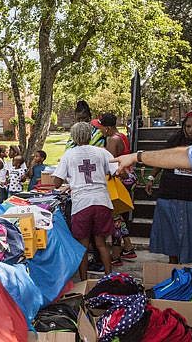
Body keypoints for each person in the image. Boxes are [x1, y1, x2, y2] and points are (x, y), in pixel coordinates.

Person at [53, 122, 115, 280]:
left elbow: (56, 182)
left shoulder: (69, 154)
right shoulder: (102, 152)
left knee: (82, 247)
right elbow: (115, 171)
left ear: (73, 136)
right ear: (91, 134)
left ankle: (84, 282)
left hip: (82, 204)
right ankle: (110, 278)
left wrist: (72, 180)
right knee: (101, 244)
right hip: (102, 201)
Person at [138, 111, 192, 264]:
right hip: (170, 192)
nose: (191, 130)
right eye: (188, 126)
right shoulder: (174, 140)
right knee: (171, 233)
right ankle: (173, 265)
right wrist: (151, 177)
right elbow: (161, 160)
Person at [93, 113, 136, 266]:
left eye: (101, 128)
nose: (100, 131)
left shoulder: (113, 140)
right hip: (128, 177)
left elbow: (109, 163)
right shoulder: (122, 136)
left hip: (119, 180)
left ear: (108, 127)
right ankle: (128, 247)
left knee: (115, 218)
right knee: (119, 216)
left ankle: (116, 255)